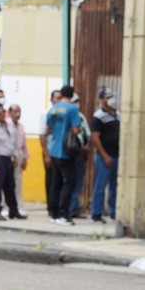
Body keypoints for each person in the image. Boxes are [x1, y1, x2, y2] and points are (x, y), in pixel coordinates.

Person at [46, 85, 83, 225]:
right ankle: (64, 214)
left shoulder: (53, 108)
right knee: (69, 183)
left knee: (55, 182)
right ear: (72, 95)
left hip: (54, 149)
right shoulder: (73, 109)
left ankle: (54, 213)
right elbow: (77, 130)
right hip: (66, 151)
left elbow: (47, 129)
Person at [90, 88, 120, 224]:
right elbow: (95, 138)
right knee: (100, 186)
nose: (111, 99)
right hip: (105, 157)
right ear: (102, 100)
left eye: (111, 96)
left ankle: (114, 212)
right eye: (108, 97)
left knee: (115, 186)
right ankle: (97, 213)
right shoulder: (98, 116)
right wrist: (104, 155)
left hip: (117, 156)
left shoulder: (118, 114)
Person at [39, 89, 62, 208]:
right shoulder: (46, 113)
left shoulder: (63, 113)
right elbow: (42, 135)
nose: (58, 100)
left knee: (59, 180)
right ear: (51, 100)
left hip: (60, 152)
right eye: (56, 98)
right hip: (49, 150)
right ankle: (51, 206)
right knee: (50, 179)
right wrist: (46, 154)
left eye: (60, 98)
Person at [9, 104, 29, 217]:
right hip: (10, 153)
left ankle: (19, 206)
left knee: (18, 180)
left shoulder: (21, 126)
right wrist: (13, 156)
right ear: (10, 112)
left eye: (19, 111)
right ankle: (6, 206)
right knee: (7, 181)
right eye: (15, 112)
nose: (18, 114)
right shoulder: (7, 124)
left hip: (20, 152)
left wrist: (25, 158)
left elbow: (24, 143)